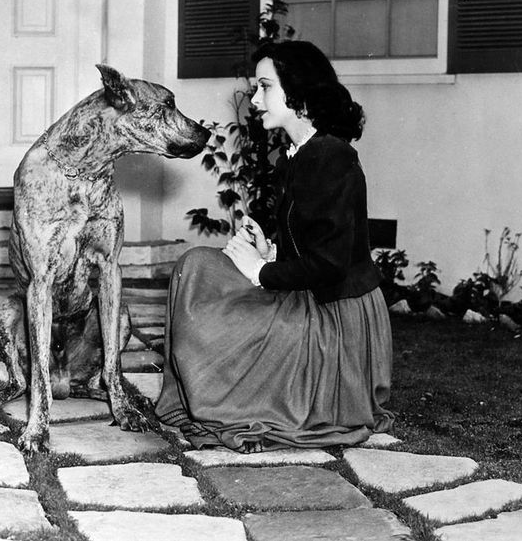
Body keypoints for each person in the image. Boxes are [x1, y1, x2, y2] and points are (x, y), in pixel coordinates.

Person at [154, 40, 394, 453]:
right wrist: (271, 251)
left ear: (297, 93)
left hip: (335, 319)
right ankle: (202, 390)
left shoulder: (329, 157)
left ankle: (220, 394)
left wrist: (260, 272)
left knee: (218, 318)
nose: (255, 99)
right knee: (195, 266)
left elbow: (332, 266)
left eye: (265, 87)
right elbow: (315, 243)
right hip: (315, 297)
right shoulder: (300, 154)